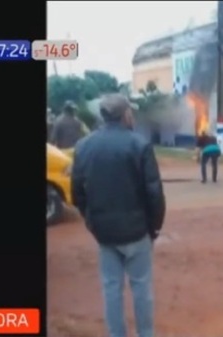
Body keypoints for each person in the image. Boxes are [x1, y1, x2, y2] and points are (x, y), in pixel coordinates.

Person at [71, 93, 166, 337]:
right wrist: (153, 228)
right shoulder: (139, 145)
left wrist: (91, 221)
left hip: (104, 234)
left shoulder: (84, 146)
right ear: (125, 115)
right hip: (137, 232)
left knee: (111, 289)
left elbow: (77, 193)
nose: (132, 115)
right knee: (141, 289)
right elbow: (154, 193)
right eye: (130, 112)